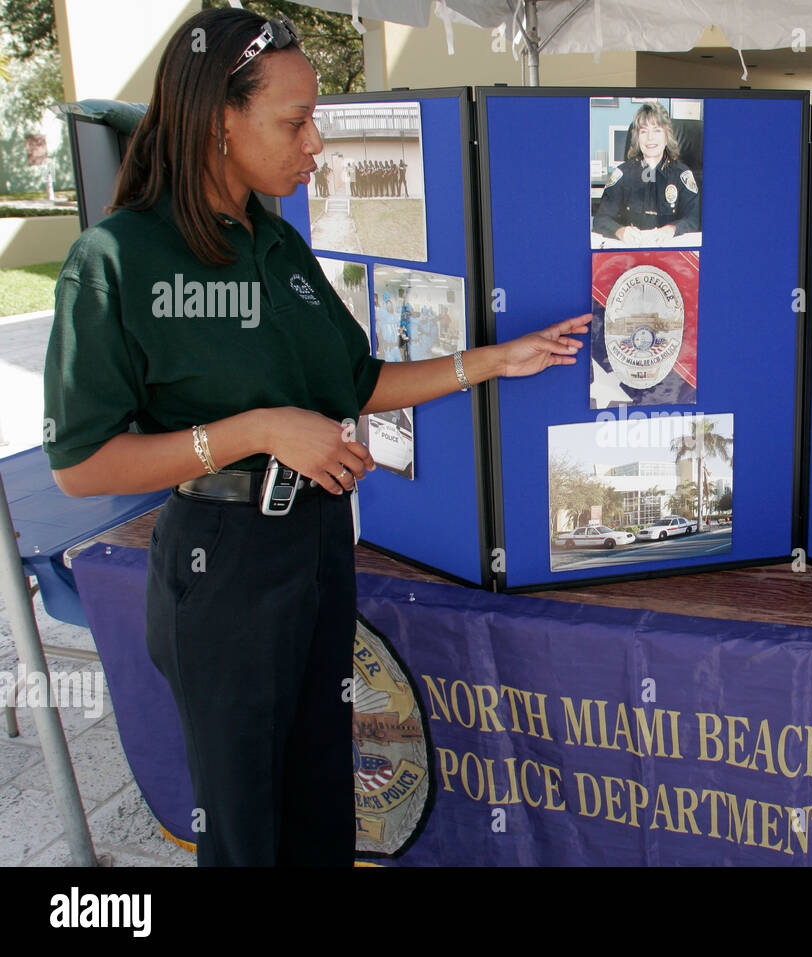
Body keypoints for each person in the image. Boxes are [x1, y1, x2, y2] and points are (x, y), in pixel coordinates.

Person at [41, 8, 590, 867]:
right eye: (295, 122)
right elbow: (79, 466)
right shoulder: (118, 260)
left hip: (315, 547)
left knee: (326, 808)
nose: (316, 145)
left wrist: (496, 360)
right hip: (220, 568)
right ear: (220, 120)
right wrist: (257, 429)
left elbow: (355, 383)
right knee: (245, 831)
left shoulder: (278, 246)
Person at [592, 102, 700, 244]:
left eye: (657, 130)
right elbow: (601, 219)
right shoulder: (622, 175)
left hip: (670, 253)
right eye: (644, 131)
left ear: (667, 136)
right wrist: (620, 232)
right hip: (631, 253)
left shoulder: (681, 175)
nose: (650, 138)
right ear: (637, 138)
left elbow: (694, 219)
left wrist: (671, 229)